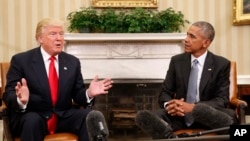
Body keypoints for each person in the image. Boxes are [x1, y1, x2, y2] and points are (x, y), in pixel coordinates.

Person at [3, 18, 113, 141]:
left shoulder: (72, 62)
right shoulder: (22, 61)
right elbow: (9, 94)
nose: (59, 38)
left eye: (61, 34)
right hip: (33, 116)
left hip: (63, 116)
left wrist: (89, 93)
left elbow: (77, 95)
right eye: (53, 34)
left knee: (90, 115)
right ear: (40, 38)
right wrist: (20, 100)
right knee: (31, 120)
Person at [135, 21, 238, 139]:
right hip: (180, 115)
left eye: (192, 36)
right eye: (187, 34)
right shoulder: (177, 61)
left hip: (208, 117)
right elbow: (165, 93)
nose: (186, 39)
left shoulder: (221, 64)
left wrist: (193, 108)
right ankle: (172, 138)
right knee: (144, 117)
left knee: (230, 119)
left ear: (206, 42)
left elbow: (221, 100)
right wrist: (170, 105)